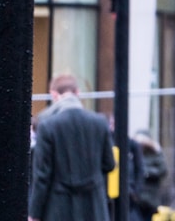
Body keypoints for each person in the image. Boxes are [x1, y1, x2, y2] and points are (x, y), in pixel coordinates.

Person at [28, 73, 116, 221]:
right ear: (78, 93)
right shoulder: (99, 123)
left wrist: (34, 214)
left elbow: (42, 176)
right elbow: (109, 164)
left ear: (53, 94)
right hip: (93, 207)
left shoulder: (48, 126)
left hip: (59, 208)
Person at [132, 131, 168, 221]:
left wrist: (145, 172)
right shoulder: (134, 153)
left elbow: (162, 170)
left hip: (150, 198)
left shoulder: (155, 153)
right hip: (137, 197)